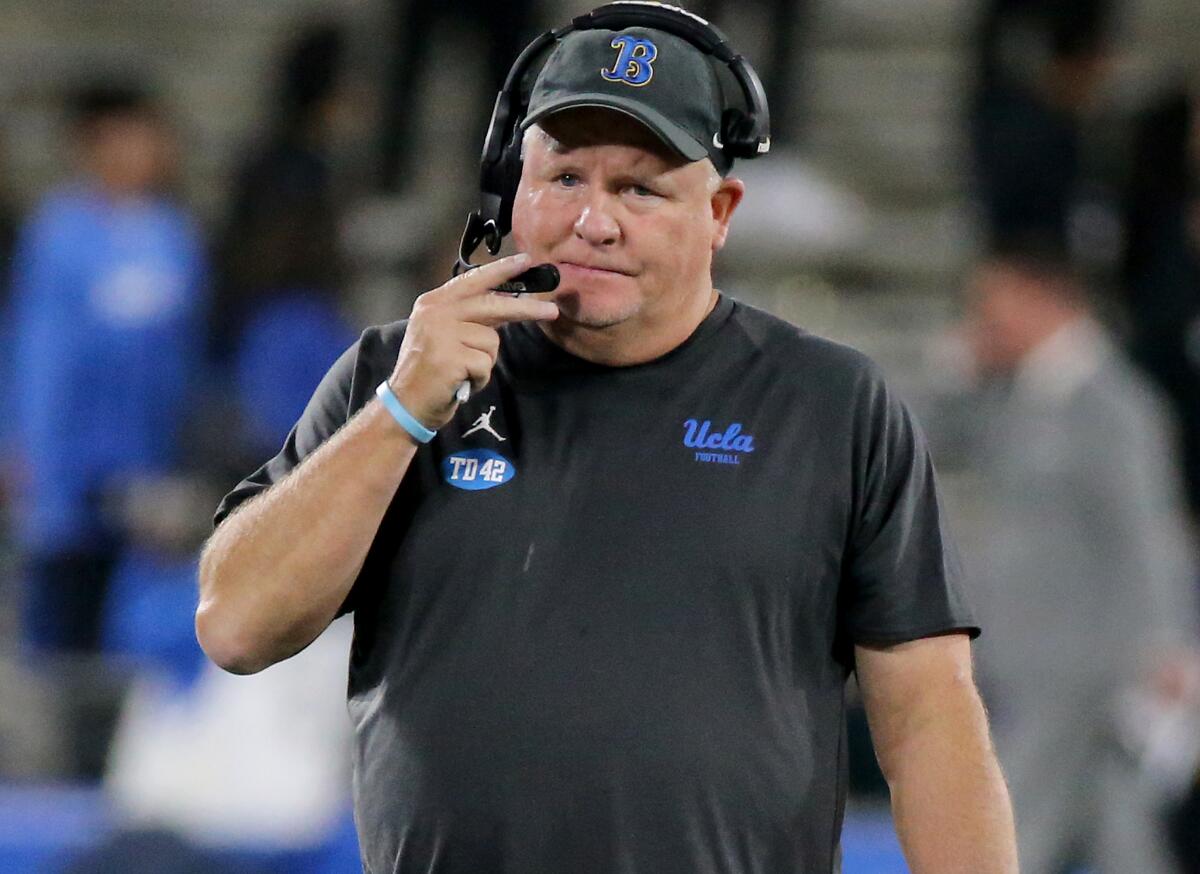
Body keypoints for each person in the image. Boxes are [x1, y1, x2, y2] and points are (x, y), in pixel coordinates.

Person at [198, 4, 1017, 872]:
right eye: (564, 179)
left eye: (640, 188)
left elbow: (929, 723)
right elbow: (237, 627)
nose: (595, 221)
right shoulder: (393, 376)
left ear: (722, 210)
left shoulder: (832, 407)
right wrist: (403, 413)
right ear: (511, 189)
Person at [961, 245, 1200, 874]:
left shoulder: (1113, 405)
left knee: (1016, 821)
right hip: (1044, 658)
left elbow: (1147, 530)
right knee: (1120, 833)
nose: (984, 319)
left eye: (996, 302)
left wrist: (1165, 642)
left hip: (1081, 664)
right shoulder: (1023, 395)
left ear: (1044, 300)